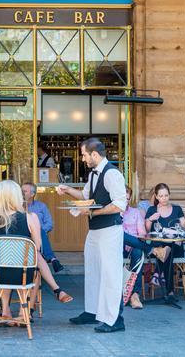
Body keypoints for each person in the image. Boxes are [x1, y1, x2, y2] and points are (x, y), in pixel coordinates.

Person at [0, 180, 73, 325]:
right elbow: (37, 248)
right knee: (34, 263)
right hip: (23, 276)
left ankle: (5, 311)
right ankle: (26, 311)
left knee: (2, 264)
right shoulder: (30, 217)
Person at [57, 137, 126, 333]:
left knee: (110, 274)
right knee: (93, 271)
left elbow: (120, 205)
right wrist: (68, 190)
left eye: (84, 155)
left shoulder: (112, 174)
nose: (83, 159)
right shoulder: (93, 174)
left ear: (95, 154)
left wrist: (94, 212)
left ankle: (115, 320)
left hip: (110, 231)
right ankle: (93, 312)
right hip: (95, 231)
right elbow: (86, 197)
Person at [121, 186, 169, 309]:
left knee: (138, 251)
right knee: (119, 234)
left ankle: (134, 295)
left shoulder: (135, 212)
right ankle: (154, 251)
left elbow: (142, 232)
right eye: (122, 198)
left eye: (127, 198)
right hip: (117, 249)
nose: (125, 201)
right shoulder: (112, 214)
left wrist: (141, 236)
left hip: (134, 248)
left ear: (130, 198)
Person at [144, 183, 185, 303]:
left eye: (166, 195)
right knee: (165, 251)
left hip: (175, 246)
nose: (164, 198)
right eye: (161, 196)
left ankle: (157, 275)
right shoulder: (152, 210)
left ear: (169, 195)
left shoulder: (176, 209)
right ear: (156, 196)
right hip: (157, 246)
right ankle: (170, 292)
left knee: (168, 249)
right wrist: (150, 219)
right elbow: (147, 230)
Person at [21, 182, 64, 273]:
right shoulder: (17, 206)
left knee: (40, 230)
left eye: (24, 191)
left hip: (38, 238)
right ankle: (52, 258)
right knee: (39, 230)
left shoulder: (41, 206)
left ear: (32, 194)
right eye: (21, 191)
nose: (21, 193)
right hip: (23, 236)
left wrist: (37, 231)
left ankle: (50, 258)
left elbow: (49, 223)